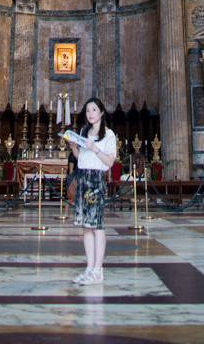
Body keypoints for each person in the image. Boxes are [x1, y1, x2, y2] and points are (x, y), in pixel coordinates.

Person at [67, 97, 117, 286]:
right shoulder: (84, 132)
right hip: (82, 178)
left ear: (102, 112)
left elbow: (110, 162)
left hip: (96, 180)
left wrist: (95, 148)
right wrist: (74, 147)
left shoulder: (109, 135)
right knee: (85, 226)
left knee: (97, 226)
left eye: (94, 110)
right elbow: (81, 159)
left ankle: (98, 270)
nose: (90, 114)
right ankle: (89, 268)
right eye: (87, 110)